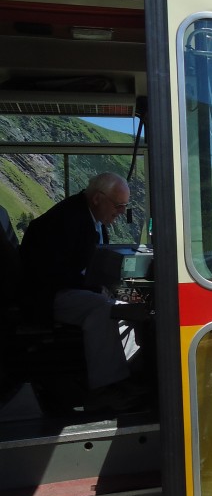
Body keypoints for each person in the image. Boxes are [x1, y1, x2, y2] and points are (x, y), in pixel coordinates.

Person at [19, 172, 145, 411]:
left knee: (124, 310)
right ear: (98, 198)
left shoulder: (92, 218)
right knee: (102, 309)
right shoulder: (67, 220)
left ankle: (125, 375)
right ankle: (105, 388)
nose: (120, 212)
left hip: (66, 289)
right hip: (46, 296)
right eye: (118, 205)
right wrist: (99, 289)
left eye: (124, 206)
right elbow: (51, 273)